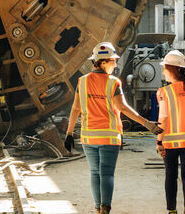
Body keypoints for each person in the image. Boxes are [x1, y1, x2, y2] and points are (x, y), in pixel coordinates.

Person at [64, 42, 163, 214]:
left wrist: (69, 133)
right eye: (113, 61)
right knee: (107, 174)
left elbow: (75, 109)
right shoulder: (113, 83)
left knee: (95, 173)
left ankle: (97, 209)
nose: (115, 64)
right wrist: (147, 124)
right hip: (109, 138)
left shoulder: (82, 82)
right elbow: (123, 108)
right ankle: (105, 208)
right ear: (103, 62)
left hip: (89, 137)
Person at [155, 50, 185, 214]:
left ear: (172, 69)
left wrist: (159, 141)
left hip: (170, 142)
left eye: (164, 68)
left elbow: (163, 118)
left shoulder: (164, 92)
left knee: (171, 176)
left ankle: (172, 210)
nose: (162, 71)